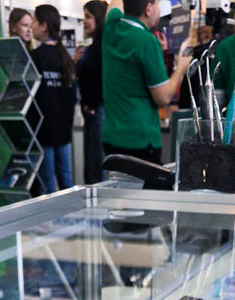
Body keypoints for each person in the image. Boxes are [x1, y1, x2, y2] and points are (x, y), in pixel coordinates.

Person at [101, 0, 191, 164]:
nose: (159, 11)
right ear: (148, 9)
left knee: (117, 181)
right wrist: (180, 68)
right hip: (140, 139)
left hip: (112, 137)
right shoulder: (147, 41)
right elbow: (163, 97)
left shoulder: (111, 27)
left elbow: (115, 5)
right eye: (157, 5)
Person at [31, 5, 77, 193]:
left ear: (44, 26)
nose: (31, 26)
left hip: (44, 133)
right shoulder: (66, 58)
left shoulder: (35, 57)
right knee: (66, 179)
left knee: (48, 183)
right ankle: (73, 211)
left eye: (34, 21)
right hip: (64, 131)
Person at [75, 0, 108, 184]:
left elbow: (103, 79)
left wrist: (92, 102)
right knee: (91, 168)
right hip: (91, 112)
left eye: (88, 17)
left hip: (98, 111)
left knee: (97, 170)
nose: (84, 21)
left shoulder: (103, 47)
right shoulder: (92, 47)